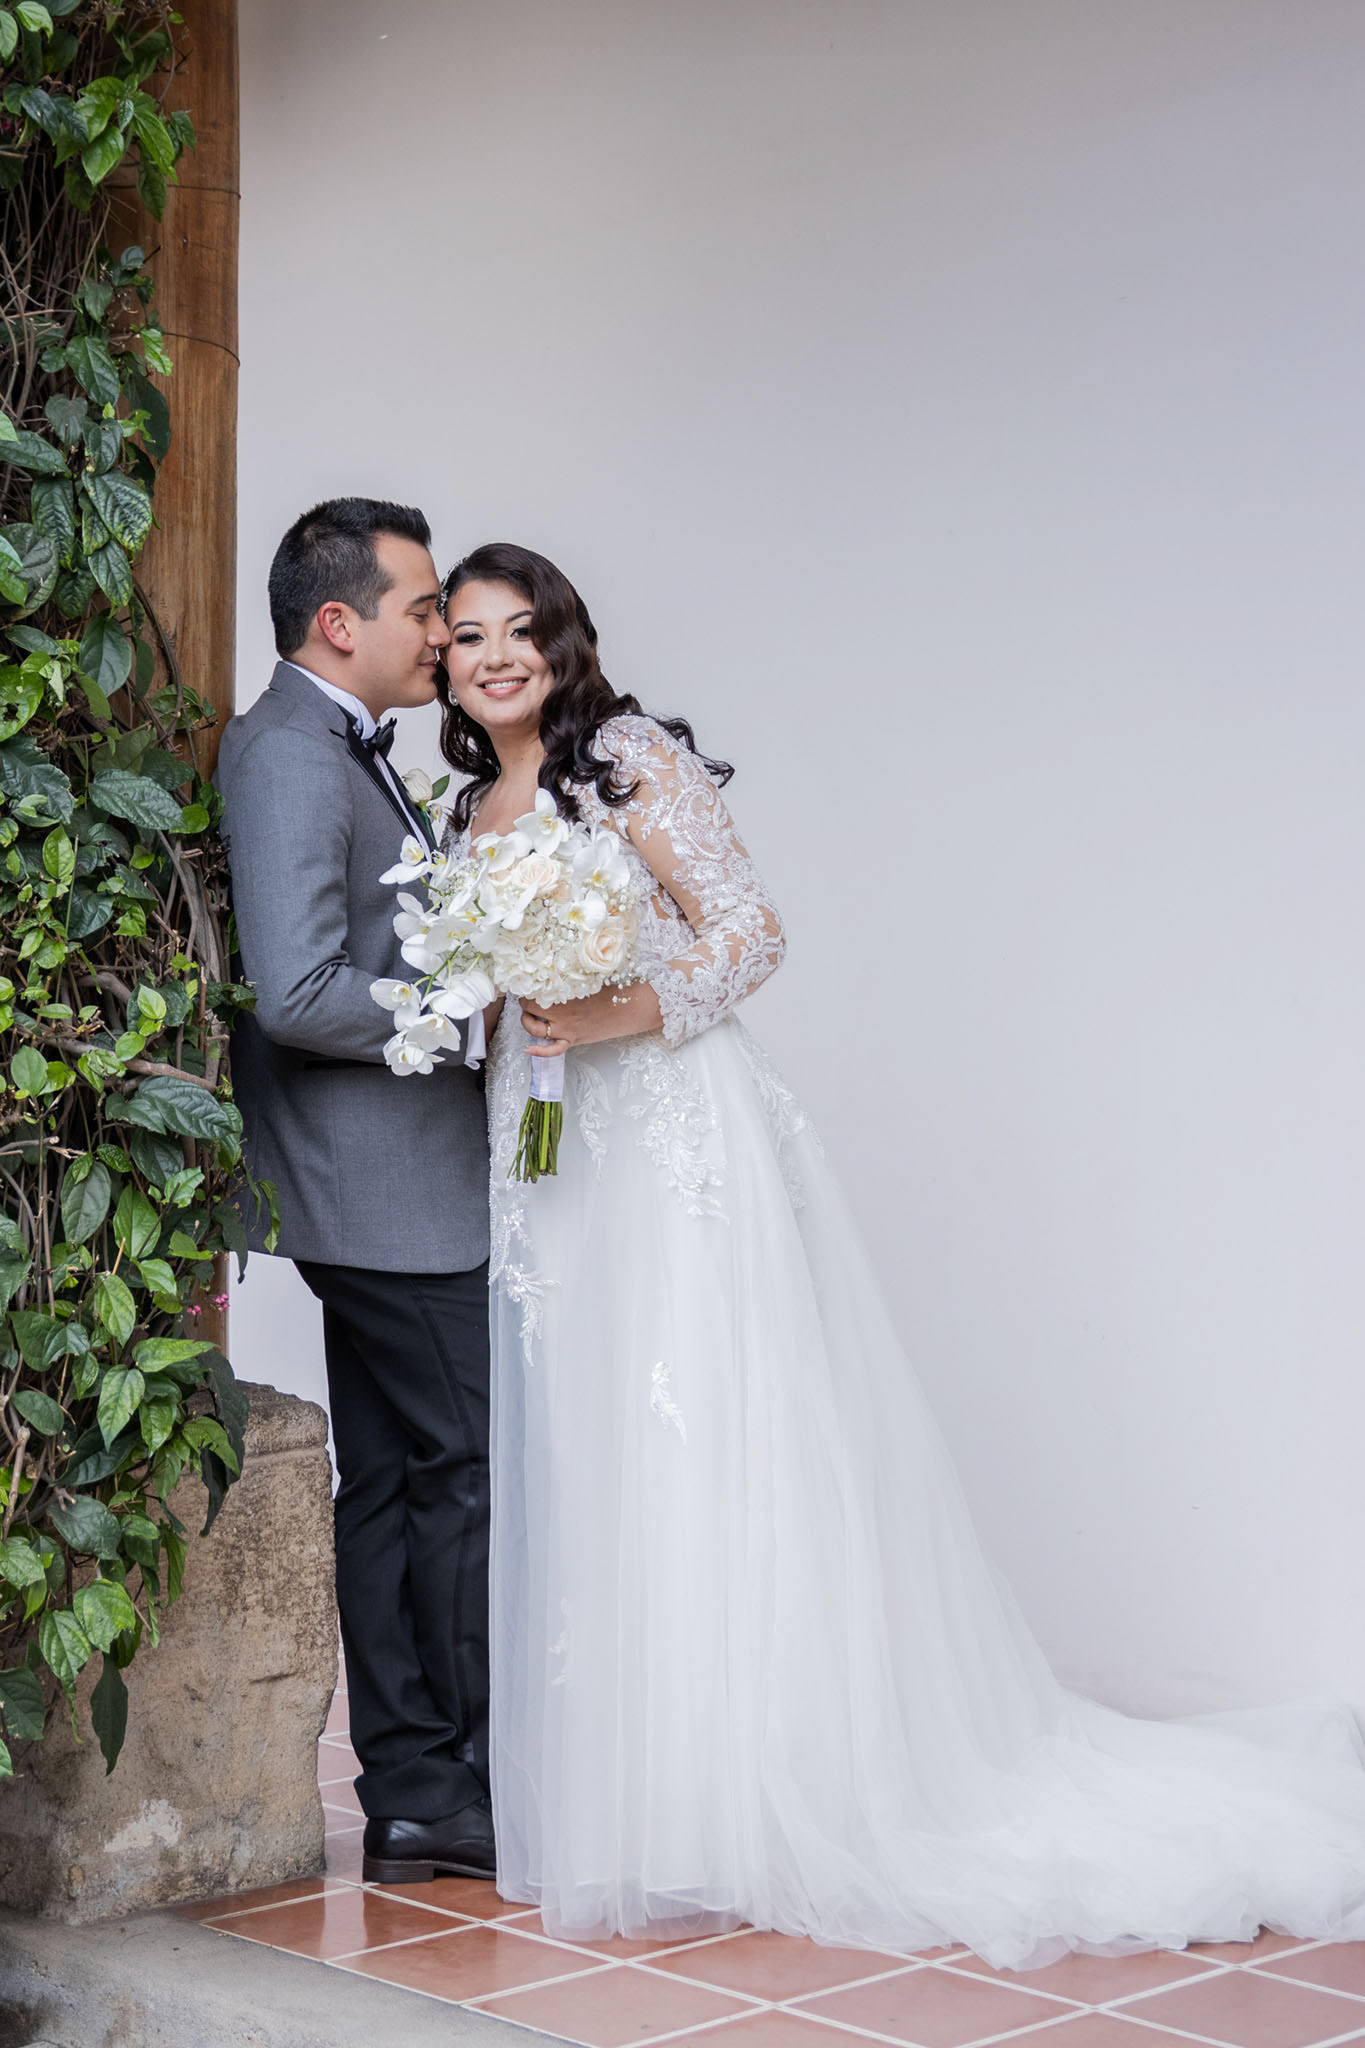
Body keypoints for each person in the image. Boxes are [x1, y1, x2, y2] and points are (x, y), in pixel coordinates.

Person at [436, 540, 1365, 1967]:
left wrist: (609, 1010)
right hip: (551, 1156)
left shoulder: (625, 762)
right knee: (592, 1446)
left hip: (672, 1139)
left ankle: (760, 1793)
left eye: (520, 629)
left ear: (565, 643)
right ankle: (645, 1797)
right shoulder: (465, 807)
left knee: (704, 1439)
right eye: (468, 634)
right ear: (443, 661)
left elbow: (750, 935)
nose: (495, 655)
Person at [216, 499, 497, 1885]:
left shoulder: (339, 745)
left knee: (394, 1482)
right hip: (381, 1194)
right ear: (340, 622)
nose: (441, 631)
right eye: (424, 607)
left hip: (391, 1187)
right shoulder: (287, 752)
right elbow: (299, 991)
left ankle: (419, 1796)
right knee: (464, 1477)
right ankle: (455, 1779)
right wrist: (473, 1012)